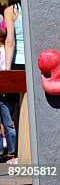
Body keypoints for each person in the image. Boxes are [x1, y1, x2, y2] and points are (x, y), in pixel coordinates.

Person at [4, 0, 25, 165]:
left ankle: (18, 153)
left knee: (16, 110)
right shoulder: (33, 8)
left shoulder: (10, 12)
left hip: (18, 64)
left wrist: (7, 69)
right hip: (34, 65)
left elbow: (10, 41)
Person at [0, 24, 16, 160]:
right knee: (7, 121)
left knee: (8, 122)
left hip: (3, 88)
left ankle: (12, 151)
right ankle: (2, 150)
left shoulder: (4, 49)